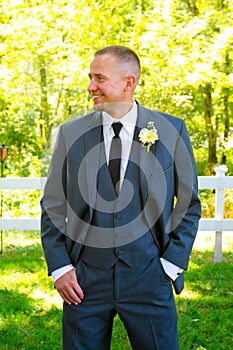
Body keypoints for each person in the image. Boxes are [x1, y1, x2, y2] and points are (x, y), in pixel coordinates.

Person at [41, 45, 201, 350]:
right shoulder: (71, 133)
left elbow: (189, 205)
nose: (90, 86)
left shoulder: (171, 130)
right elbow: (52, 204)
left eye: (99, 78)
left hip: (150, 276)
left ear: (129, 83)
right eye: (90, 77)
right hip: (83, 281)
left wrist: (170, 265)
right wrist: (60, 267)